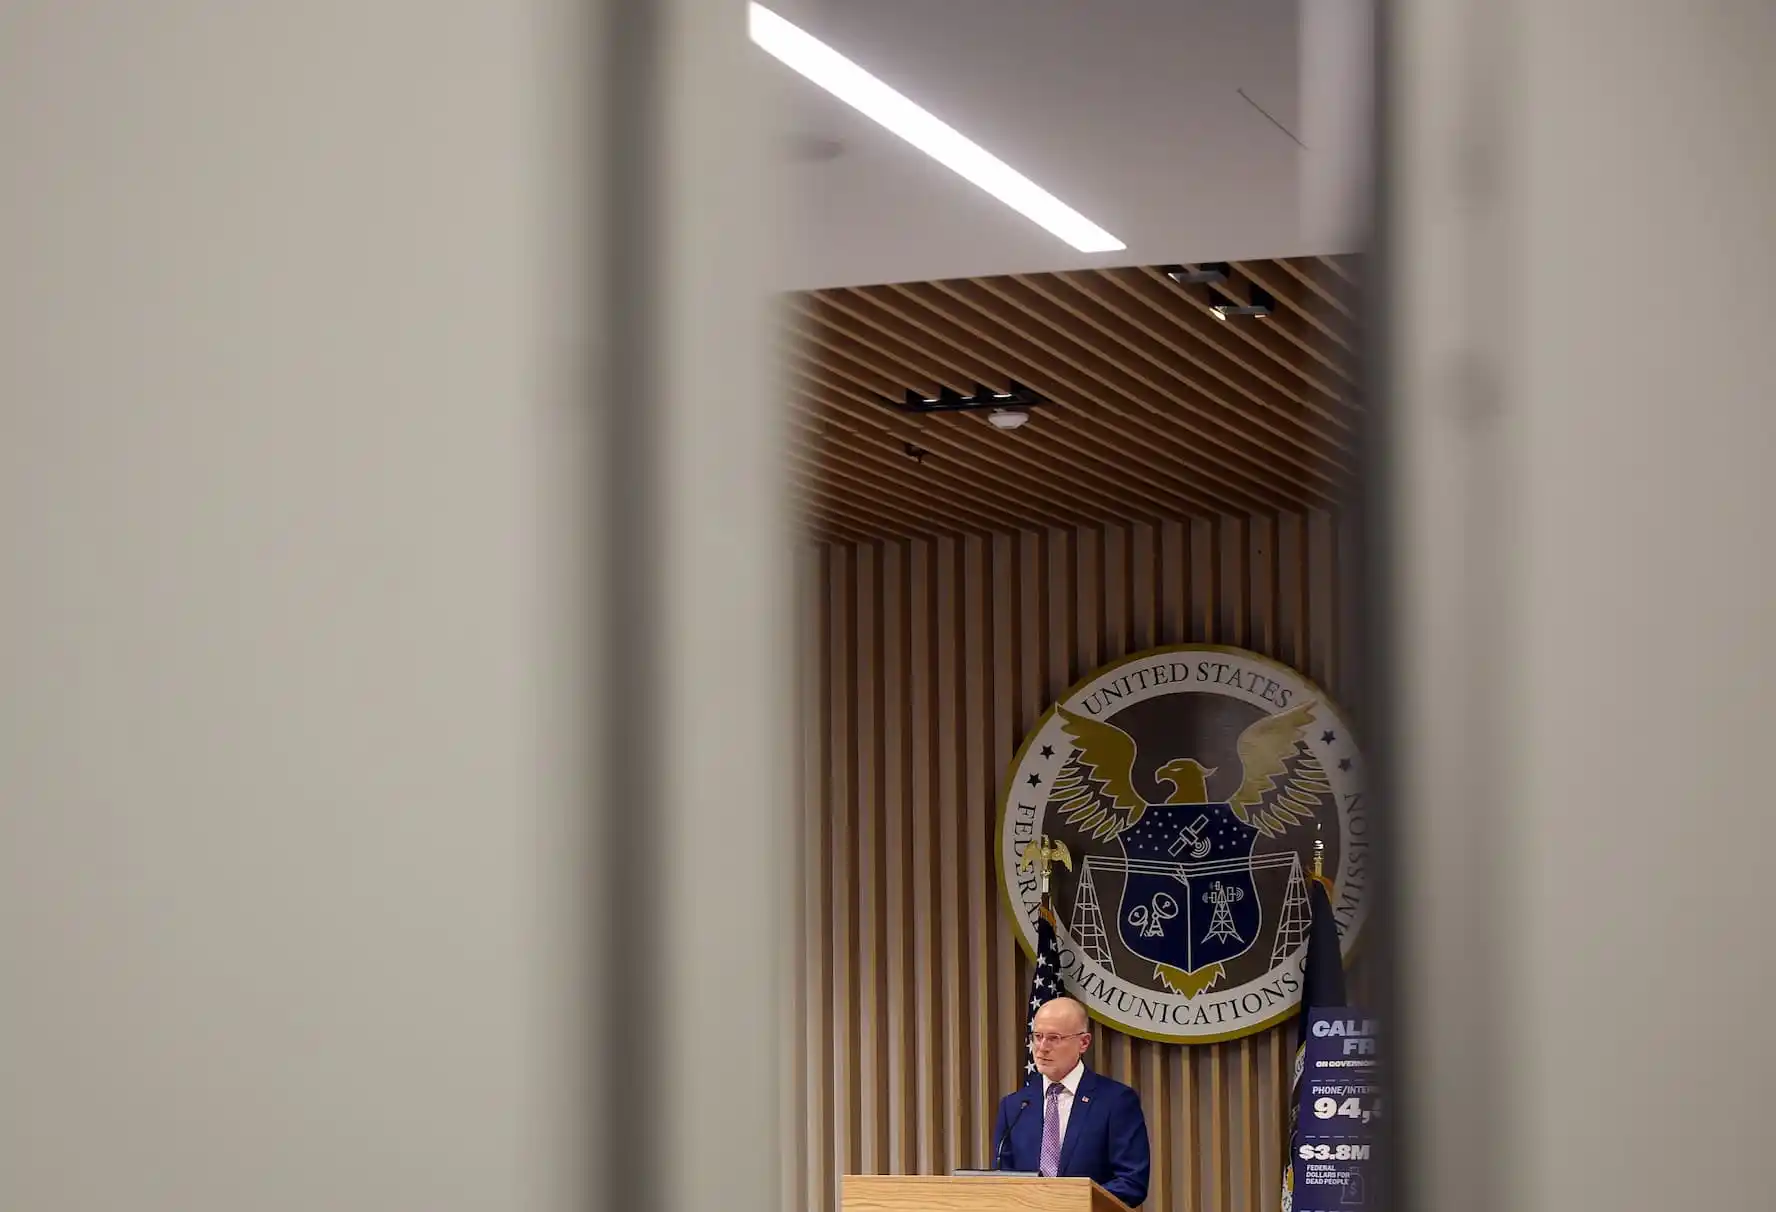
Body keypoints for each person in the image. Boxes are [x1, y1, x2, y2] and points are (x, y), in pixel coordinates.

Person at [990, 997, 1151, 1207]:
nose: (1042, 1048)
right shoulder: (1014, 1107)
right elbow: (1003, 1181)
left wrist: (1067, 1203)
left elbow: (1131, 1181)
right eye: (1037, 1037)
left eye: (1054, 1038)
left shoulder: (1116, 1101)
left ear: (1084, 1042)